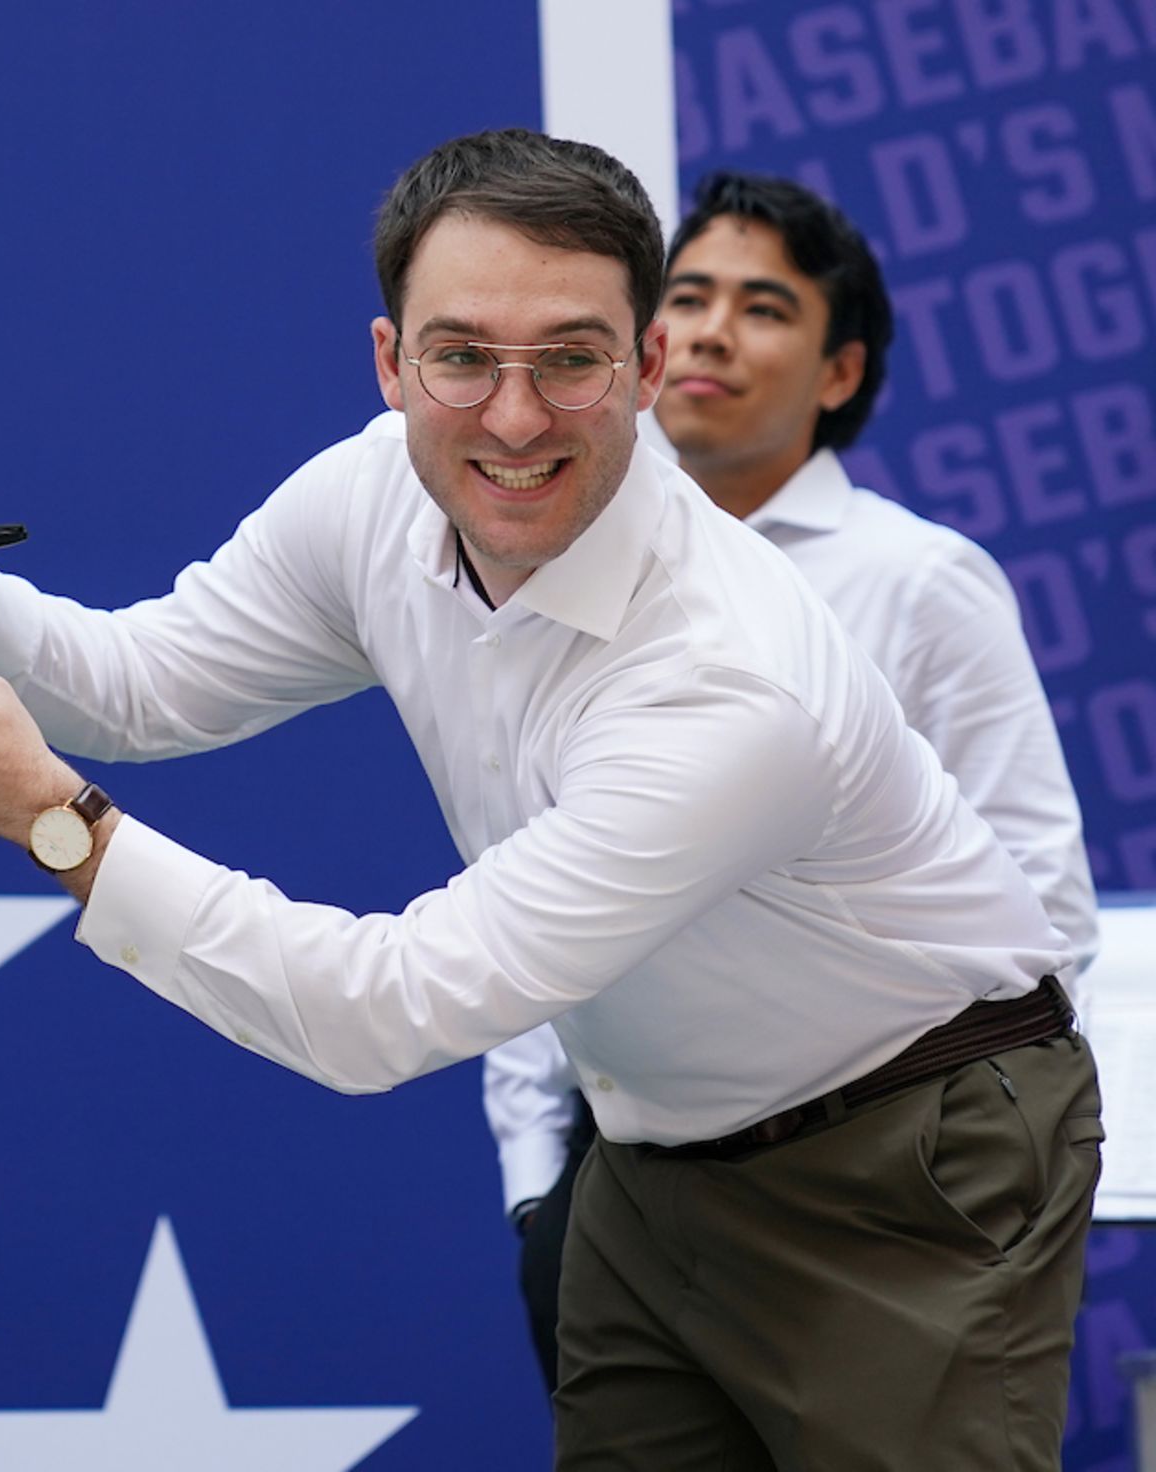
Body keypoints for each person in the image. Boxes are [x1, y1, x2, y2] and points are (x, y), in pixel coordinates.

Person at [0, 129, 1101, 1471]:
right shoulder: (374, 491)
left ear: (645, 368)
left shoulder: (729, 681)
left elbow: (380, 1012)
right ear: (389, 360)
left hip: (914, 1157)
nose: (516, 416)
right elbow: (148, 682)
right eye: (464, 355)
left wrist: (48, 818)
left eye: (572, 358)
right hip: (653, 1154)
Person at [485, 170, 1102, 1398]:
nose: (713, 329)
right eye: (692, 298)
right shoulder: (559, 564)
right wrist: (533, 1179)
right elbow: (526, 884)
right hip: (613, 1177)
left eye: (765, 306)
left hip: (871, 1188)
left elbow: (1042, 911)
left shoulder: (922, 580)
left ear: (840, 372)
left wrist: (940, 1175)